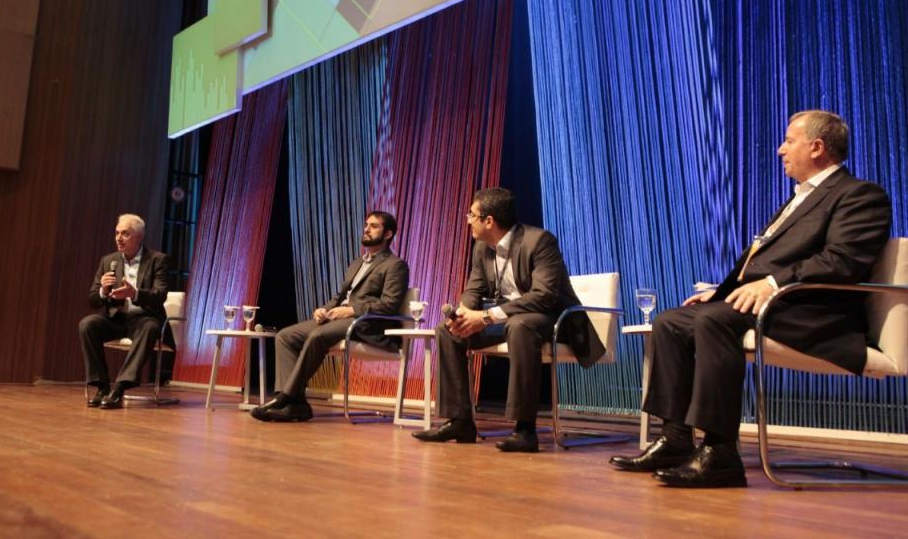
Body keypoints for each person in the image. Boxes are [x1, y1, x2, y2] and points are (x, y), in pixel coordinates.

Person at [609, 110, 892, 487]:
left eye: (790, 141)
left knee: (714, 320)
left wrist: (772, 284)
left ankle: (720, 452)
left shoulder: (859, 195)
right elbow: (757, 261)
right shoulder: (799, 198)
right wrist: (722, 292)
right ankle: (675, 438)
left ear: (818, 147)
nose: (780, 149)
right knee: (671, 321)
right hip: (772, 304)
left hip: (814, 313)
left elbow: (842, 261)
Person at [413, 187, 604, 452]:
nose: (467, 219)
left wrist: (488, 317)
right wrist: (464, 314)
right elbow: (474, 288)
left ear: (489, 221)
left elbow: (544, 296)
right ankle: (460, 421)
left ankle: (525, 429)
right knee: (448, 331)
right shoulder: (482, 248)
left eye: (472, 214)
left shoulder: (539, 241)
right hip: (508, 318)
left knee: (520, 325)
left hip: (551, 318)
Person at [251, 211, 410, 422]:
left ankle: (285, 397)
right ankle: (297, 405)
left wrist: (352, 310)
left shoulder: (395, 265)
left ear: (388, 233)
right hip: (339, 319)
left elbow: (389, 305)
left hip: (365, 324)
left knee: (318, 336)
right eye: (366, 225)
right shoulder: (357, 263)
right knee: (286, 336)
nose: (366, 229)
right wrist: (323, 310)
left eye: (374, 226)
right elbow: (340, 297)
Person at [79, 214, 171, 409]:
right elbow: (93, 300)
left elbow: (160, 295)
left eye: (125, 234)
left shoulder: (157, 260)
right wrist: (103, 291)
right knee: (88, 324)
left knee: (150, 327)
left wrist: (135, 293)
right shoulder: (109, 261)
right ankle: (102, 386)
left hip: (145, 318)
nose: (119, 238)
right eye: (117, 233)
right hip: (117, 318)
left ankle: (119, 387)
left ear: (138, 237)